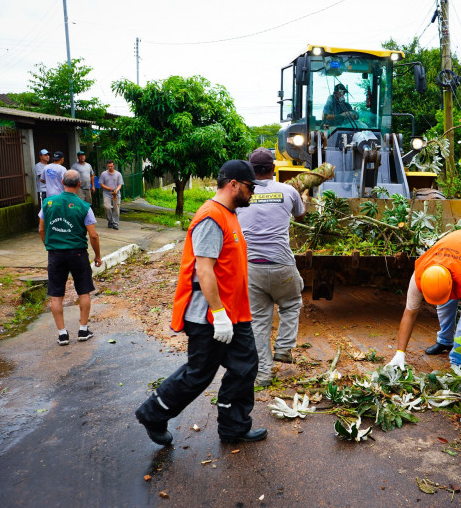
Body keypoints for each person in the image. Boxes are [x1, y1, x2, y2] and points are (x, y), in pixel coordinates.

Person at [135, 159, 267, 446]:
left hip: (235, 314)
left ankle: (234, 427)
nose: (252, 192)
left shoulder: (229, 214)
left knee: (245, 367)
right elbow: (204, 270)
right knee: (198, 375)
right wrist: (219, 314)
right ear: (233, 185)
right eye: (249, 187)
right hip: (210, 316)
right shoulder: (211, 217)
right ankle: (153, 413)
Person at [386, 230, 461, 388]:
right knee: (445, 305)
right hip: (454, 253)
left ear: (452, 284)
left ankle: (459, 361)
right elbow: (410, 313)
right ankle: (445, 341)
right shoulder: (419, 274)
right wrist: (400, 353)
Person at [237, 147, 306, 388]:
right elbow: (301, 215)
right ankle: (284, 348)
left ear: (250, 170)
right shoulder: (289, 190)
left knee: (258, 323)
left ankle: (263, 375)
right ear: (274, 169)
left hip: (252, 267)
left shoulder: (241, 195)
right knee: (291, 303)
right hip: (282, 265)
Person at [39, 170, 102, 346]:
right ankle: (83, 330)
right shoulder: (83, 206)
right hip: (78, 253)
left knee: (56, 295)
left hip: (55, 254)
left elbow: (41, 230)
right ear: (79, 184)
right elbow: (94, 235)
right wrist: (97, 255)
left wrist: (49, 246)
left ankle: (62, 334)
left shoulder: (48, 203)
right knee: (83, 291)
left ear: (61, 182)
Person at [99, 161, 123, 230]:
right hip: (107, 193)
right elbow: (101, 184)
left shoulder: (118, 174)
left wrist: (116, 190)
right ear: (107, 166)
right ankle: (110, 220)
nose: (110, 167)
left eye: (111, 166)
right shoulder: (103, 174)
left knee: (116, 208)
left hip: (116, 194)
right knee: (107, 207)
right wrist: (108, 188)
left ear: (114, 166)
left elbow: (120, 184)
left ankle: (115, 223)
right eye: (109, 166)